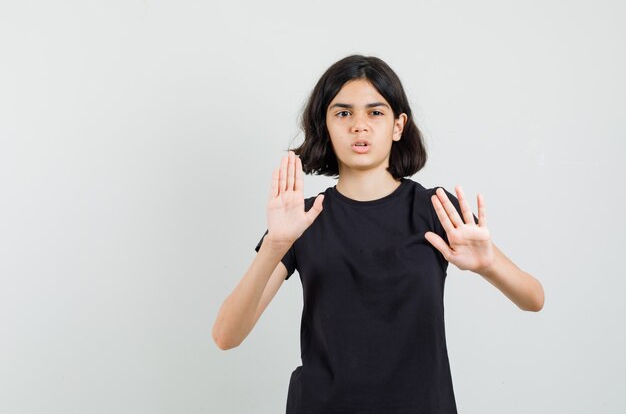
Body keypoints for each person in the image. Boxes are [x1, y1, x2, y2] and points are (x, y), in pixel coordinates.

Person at [212, 55, 544, 414]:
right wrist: (275, 245)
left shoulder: (434, 209)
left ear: (398, 125)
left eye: (375, 112)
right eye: (343, 113)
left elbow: (533, 298)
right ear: (324, 126)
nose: (359, 126)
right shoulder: (301, 220)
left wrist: (488, 263)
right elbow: (226, 336)